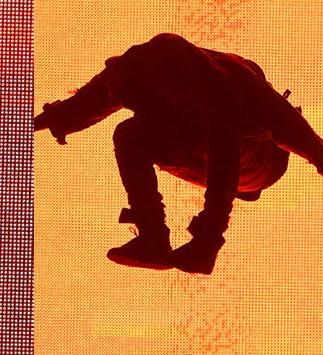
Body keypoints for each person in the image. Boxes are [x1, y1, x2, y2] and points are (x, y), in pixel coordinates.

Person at [35, 33, 323, 274]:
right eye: (142, 106)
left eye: (154, 106)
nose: (147, 112)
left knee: (220, 131)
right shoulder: (129, 70)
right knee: (130, 135)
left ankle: (207, 240)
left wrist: (208, 239)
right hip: (197, 138)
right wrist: (37, 121)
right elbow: (89, 101)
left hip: (261, 162)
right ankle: (152, 238)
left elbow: (295, 130)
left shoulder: (232, 88)